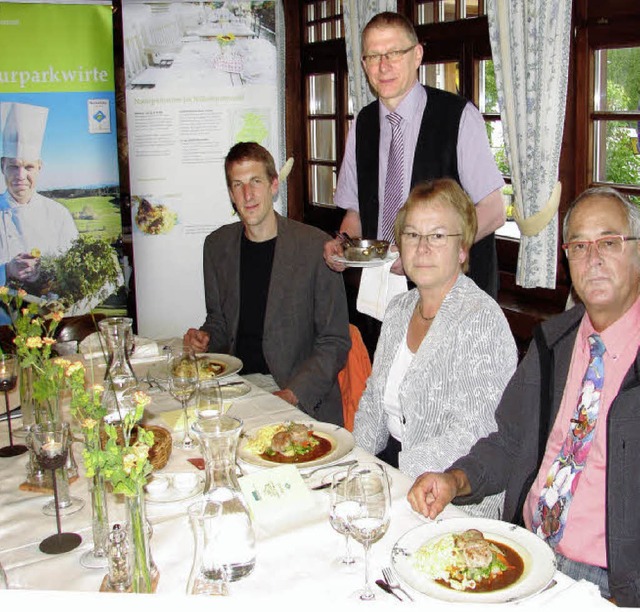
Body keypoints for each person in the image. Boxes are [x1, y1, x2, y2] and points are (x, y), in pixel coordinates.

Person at [407, 186, 640, 605]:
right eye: (580, 246)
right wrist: (454, 480)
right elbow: (507, 442)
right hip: (524, 551)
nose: (594, 258)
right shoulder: (554, 343)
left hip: (610, 584)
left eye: (609, 242)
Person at [353, 178, 516, 518]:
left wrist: (393, 478)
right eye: (412, 235)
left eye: (438, 236)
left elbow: (478, 430)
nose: (422, 247)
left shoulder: (481, 320)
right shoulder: (399, 309)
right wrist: (355, 466)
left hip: (451, 498)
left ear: (462, 249)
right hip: (393, 476)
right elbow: (372, 404)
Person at [324, 12, 505, 299]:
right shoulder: (362, 124)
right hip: (380, 291)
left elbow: (494, 212)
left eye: (394, 53)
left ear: (417, 54)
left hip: (450, 296)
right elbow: (356, 212)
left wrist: (420, 254)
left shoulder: (458, 116)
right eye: (373, 56)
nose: (384, 66)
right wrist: (342, 243)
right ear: (364, 65)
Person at [184, 142, 351, 426]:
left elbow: (334, 341)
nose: (247, 195)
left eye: (256, 182)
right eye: (238, 185)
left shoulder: (315, 248)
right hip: (235, 387)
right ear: (230, 194)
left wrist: (291, 394)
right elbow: (219, 322)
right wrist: (204, 339)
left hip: (295, 393)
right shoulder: (216, 246)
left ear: (274, 186)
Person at [0, 102, 78, 288]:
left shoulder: (58, 214)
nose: (21, 176)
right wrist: (7, 270)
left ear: (39, 168)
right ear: (2, 166)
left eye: (28, 167)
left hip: (51, 313)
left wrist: (48, 270)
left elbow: (74, 269)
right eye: (13, 166)